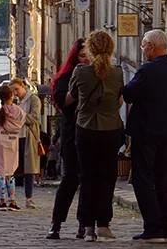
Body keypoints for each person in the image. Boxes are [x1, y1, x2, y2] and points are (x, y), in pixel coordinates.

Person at [123, 29, 167, 243]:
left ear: (150, 46)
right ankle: (166, 228)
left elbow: (128, 94)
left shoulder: (147, 70)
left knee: (143, 180)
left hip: (146, 131)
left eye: (143, 46)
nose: (142, 50)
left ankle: (153, 227)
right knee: (163, 180)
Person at [69, 30, 124, 243]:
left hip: (86, 128)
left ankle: (87, 226)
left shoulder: (81, 72)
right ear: (111, 49)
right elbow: (120, 100)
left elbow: (73, 96)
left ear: (90, 50)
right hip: (110, 129)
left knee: (87, 178)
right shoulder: (118, 72)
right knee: (107, 178)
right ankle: (103, 225)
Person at [47, 38, 89, 240]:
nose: (87, 59)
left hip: (91, 132)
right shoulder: (66, 76)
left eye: (90, 55)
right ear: (75, 57)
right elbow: (63, 101)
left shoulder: (97, 74)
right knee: (70, 179)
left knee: (88, 180)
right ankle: (56, 224)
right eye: (83, 55)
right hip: (72, 132)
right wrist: (80, 84)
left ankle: (85, 224)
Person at [0, 84, 26, 211]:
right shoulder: (20, 114)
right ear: (12, 95)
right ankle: (12, 200)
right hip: (13, 145)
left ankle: (2, 200)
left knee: (0, 174)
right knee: (10, 174)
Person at [10, 77, 41, 209]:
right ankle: (12, 197)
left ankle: (29, 198)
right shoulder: (15, 102)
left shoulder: (33, 99)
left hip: (28, 136)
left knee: (29, 168)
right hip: (16, 136)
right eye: (13, 91)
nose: (15, 93)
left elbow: (34, 118)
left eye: (16, 89)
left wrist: (19, 114)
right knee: (13, 167)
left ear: (23, 86)